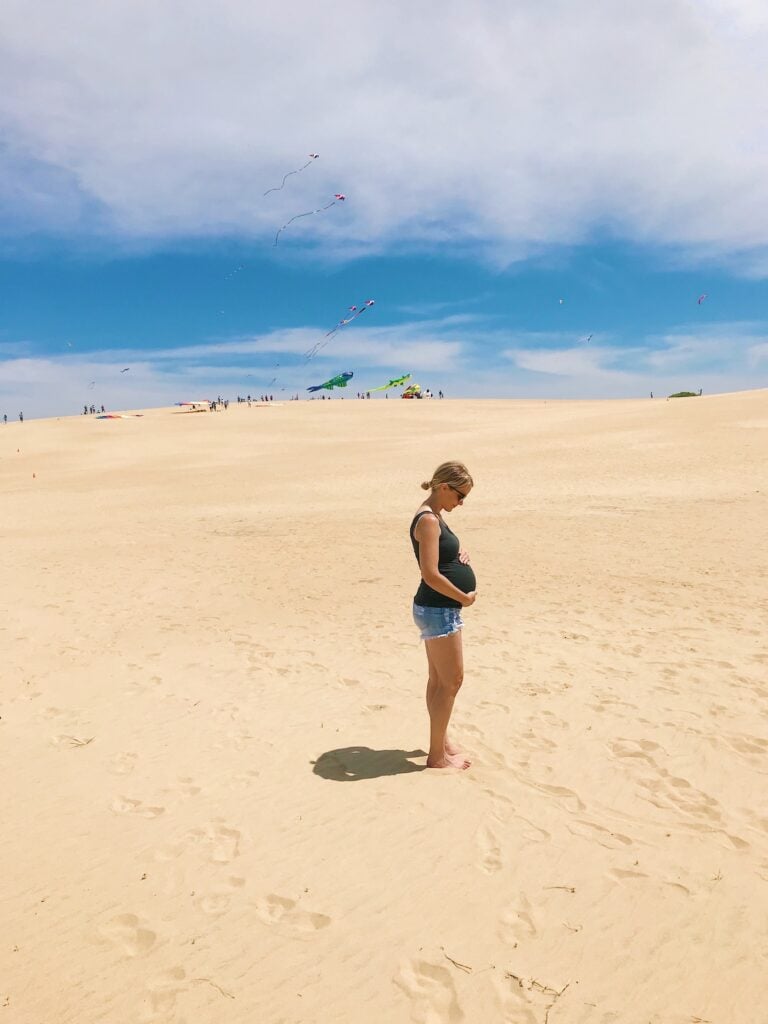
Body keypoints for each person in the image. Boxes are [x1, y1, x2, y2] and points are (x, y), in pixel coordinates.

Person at [410, 461, 476, 769]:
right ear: (444, 487)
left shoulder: (435, 516)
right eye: (459, 496)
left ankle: (442, 743)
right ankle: (437, 757)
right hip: (439, 609)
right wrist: (464, 596)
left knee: (438, 680)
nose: (461, 503)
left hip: (437, 609)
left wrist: (460, 556)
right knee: (451, 681)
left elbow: (441, 558)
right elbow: (430, 573)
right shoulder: (428, 520)